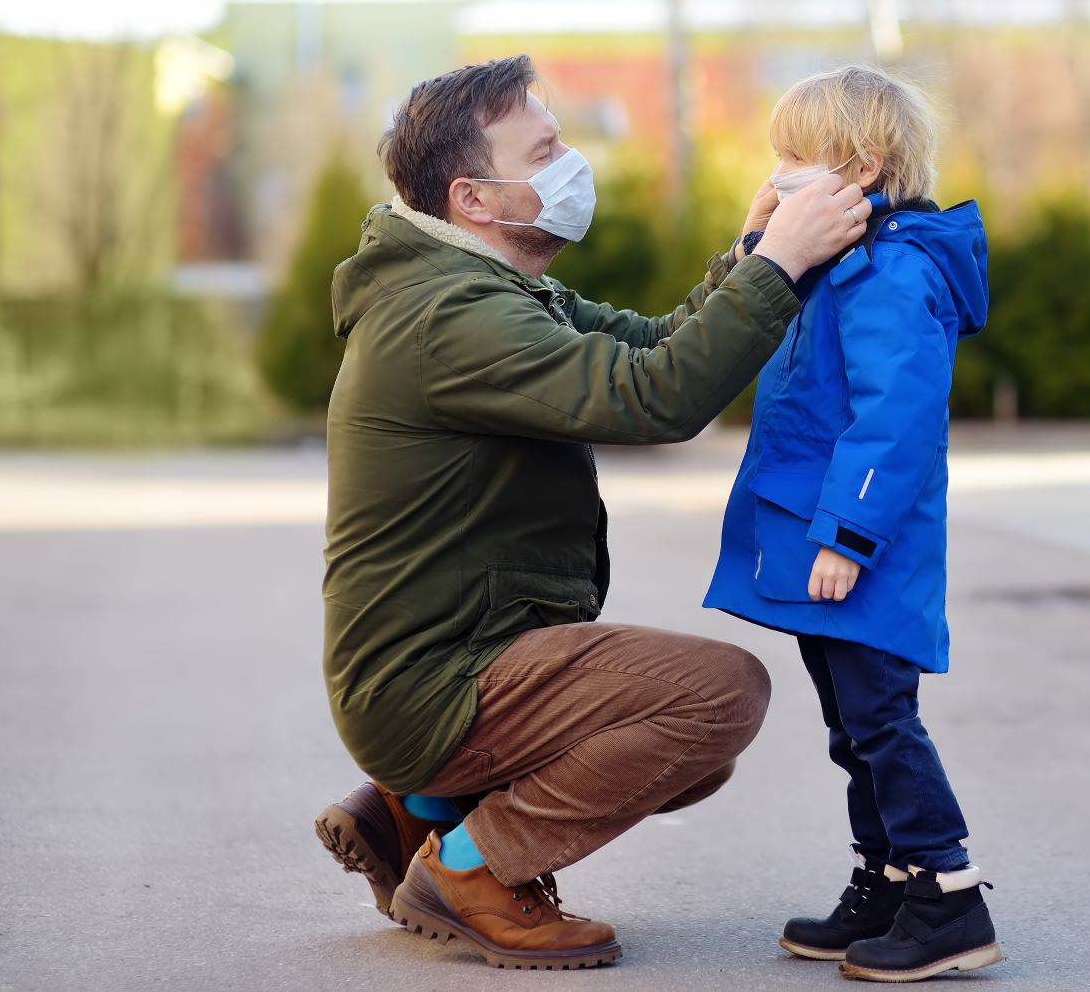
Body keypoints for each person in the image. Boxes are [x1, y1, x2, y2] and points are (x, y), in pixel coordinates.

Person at [313, 54, 870, 970]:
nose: (573, 162)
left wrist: (745, 256)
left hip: (446, 666)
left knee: (692, 749)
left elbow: (651, 345)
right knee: (719, 695)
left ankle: (418, 809)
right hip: (434, 684)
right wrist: (781, 265)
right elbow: (654, 398)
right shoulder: (450, 315)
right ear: (475, 198)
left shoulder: (484, 287)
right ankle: (471, 867)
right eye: (546, 150)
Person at [702, 66, 999, 982]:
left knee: (880, 719)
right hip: (824, 540)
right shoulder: (838, 261)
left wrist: (848, 534)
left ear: (863, 165)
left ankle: (947, 895)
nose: (780, 170)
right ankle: (884, 879)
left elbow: (893, 415)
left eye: (796, 156)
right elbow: (749, 327)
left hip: (862, 549)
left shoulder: (894, 271)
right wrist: (757, 242)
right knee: (850, 724)